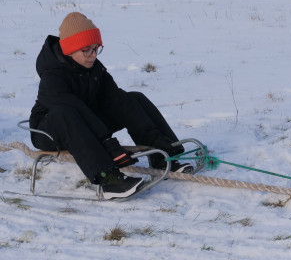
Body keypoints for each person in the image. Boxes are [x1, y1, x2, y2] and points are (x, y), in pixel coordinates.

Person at [29, 12, 192, 199]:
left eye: (96, 49)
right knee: (67, 113)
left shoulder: (94, 68)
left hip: (86, 122)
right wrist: (109, 144)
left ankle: (162, 157)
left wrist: (155, 138)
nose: (93, 55)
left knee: (134, 98)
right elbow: (77, 111)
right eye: (86, 50)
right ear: (70, 49)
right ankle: (109, 179)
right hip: (51, 130)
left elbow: (115, 99)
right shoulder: (52, 76)